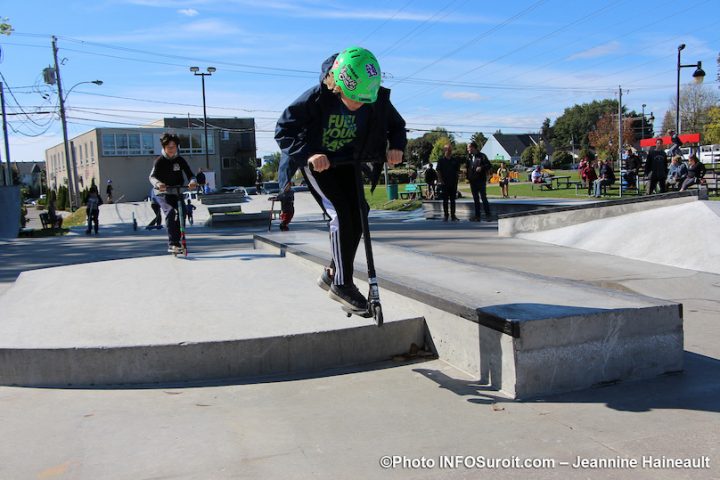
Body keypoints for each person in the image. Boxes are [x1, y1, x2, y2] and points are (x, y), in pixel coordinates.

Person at [274, 46, 406, 313]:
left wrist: (396, 146)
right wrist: (310, 154)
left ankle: (334, 271)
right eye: (353, 99)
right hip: (320, 164)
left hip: (347, 161)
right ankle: (342, 284)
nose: (359, 105)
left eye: (363, 100)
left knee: (360, 211)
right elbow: (284, 129)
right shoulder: (315, 98)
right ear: (338, 84)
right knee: (341, 215)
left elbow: (396, 125)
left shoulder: (375, 96)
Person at [149, 132, 198, 254]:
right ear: (164, 147)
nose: (172, 150)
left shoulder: (180, 160)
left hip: (176, 191)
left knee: (183, 212)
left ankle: (179, 240)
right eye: (169, 147)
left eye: (174, 147)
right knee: (171, 212)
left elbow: (190, 174)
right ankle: (173, 244)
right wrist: (158, 184)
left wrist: (192, 181)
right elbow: (151, 177)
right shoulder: (159, 161)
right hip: (162, 193)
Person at [466, 141, 491, 221]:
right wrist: (468, 177)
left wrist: (482, 167)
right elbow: (468, 168)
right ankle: (477, 216)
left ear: (473, 147)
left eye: (469, 147)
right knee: (475, 199)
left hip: (480, 180)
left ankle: (488, 215)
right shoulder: (469, 157)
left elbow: (489, 165)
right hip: (472, 181)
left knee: (483, 198)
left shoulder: (482, 156)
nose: (468, 149)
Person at [437, 143, 460, 221]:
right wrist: (440, 180)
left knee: (453, 200)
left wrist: (457, 180)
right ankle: (446, 215)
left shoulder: (455, 160)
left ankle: (453, 215)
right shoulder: (441, 160)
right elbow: (438, 171)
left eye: (450, 149)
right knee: (445, 200)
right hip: (444, 183)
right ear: (444, 150)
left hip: (453, 183)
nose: (449, 151)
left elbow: (457, 171)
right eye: (447, 149)